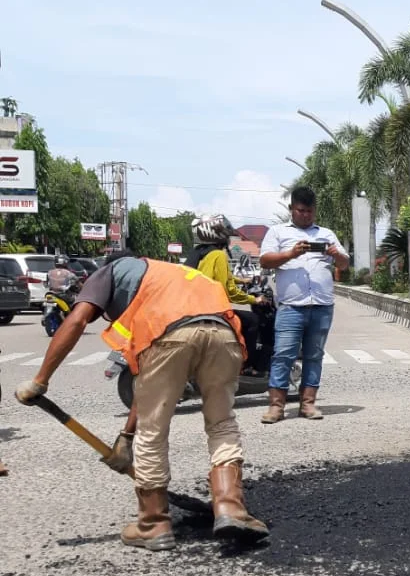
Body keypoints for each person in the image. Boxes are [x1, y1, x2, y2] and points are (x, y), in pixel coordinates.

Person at [14, 252, 269, 551]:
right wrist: (126, 436)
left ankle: (153, 523)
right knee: (222, 422)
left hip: (169, 333)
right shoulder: (170, 275)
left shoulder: (109, 272)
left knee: (153, 431)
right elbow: (143, 383)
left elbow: (78, 319)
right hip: (224, 333)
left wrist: (39, 381)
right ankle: (230, 507)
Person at [258, 187, 349, 424]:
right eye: (301, 210)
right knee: (283, 355)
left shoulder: (326, 233)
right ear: (292, 209)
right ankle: (276, 407)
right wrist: (291, 253)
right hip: (291, 307)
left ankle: (308, 404)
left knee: (314, 355)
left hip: (321, 306)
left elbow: (345, 263)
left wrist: (335, 253)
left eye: (310, 211)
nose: (306, 215)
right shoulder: (278, 232)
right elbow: (265, 259)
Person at [187, 213, 267, 375]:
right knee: (253, 321)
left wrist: (243, 281)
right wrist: (255, 299)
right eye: (224, 231)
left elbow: (216, 277)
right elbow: (228, 291)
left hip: (196, 309)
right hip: (212, 312)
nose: (228, 236)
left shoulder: (200, 253)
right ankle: (246, 365)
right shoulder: (219, 255)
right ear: (216, 233)